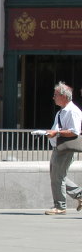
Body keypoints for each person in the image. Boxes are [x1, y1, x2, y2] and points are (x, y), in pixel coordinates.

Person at [45, 81, 82, 215]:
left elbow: (74, 131)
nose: (53, 97)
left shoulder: (73, 112)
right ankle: (79, 194)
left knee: (58, 177)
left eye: (55, 95)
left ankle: (60, 206)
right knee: (57, 176)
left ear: (64, 96)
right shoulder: (62, 112)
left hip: (66, 149)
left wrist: (57, 133)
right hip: (59, 148)